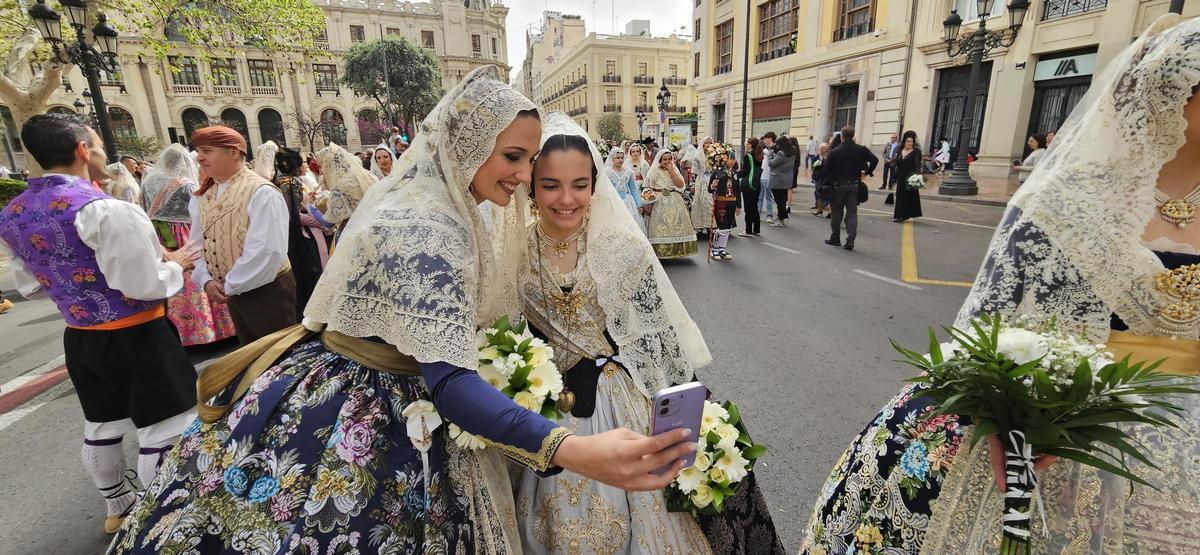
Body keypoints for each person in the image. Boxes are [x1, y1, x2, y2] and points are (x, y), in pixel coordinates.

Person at [109, 66, 696, 554]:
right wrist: (573, 450)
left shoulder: (455, 203)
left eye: (530, 161)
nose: (524, 177)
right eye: (514, 158)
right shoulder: (428, 225)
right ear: (468, 145)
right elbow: (449, 381)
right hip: (369, 404)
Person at [802, 15, 1200, 554]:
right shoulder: (1065, 198)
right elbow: (992, 326)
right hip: (1066, 433)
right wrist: (1012, 413)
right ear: (1169, 91)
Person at [515, 113, 784, 553]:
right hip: (555, 417)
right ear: (531, 185)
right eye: (550, 185)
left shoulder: (620, 247)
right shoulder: (516, 252)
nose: (567, 198)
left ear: (594, 185)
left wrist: (692, 422)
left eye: (580, 185)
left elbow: (658, 340)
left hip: (626, 404)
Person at [0, 114, 198, 534]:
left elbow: (33, 288)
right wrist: (176, 264)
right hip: (137, 334)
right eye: (97, 145)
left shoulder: (14, 212)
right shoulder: (106, 210)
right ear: (81, 150)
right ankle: (169, 517)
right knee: (164, 427)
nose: (103, 153)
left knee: (103, 424)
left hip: (81, 336)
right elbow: (143, 283)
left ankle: (117, 505)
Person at [188, 125, 295, 345]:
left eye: (207, 151)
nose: (199, 158)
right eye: (198, 151)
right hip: (233, 291)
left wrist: (228, 285)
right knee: (250, 356)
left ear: (233, 152)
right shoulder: (205, 195)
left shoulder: (261, 192)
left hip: (266, 291)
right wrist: (206, 280)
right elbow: (197, 245)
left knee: (276, 359)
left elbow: (267, 252)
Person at [141, 144, 237, 346]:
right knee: (194, 274)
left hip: (159, 235)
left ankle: (180, 330)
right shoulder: (185, 184)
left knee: (173, 278)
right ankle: (208, 330)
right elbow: (198, 211)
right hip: (184, 232)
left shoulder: (149, 181)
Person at [272, 146, 331, 319]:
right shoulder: (290, 182)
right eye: (301, 160)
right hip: (302, 236)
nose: (304, 164)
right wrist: (318, 220)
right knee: (311, 271)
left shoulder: (286, 181)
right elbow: (292, 215)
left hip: (299, 232)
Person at [822, 126, 878, 251]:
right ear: (853, 136)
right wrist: (867, 172)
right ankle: (851, 238)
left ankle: (835, 238)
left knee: (837, 213)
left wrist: (828, 182)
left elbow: (826, 170)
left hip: (838, 185)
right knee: (852, 213)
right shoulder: (861, 149)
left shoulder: (835, 152)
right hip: (854, 185)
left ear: (842, 136)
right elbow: (875, 160)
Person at [642, 149, 697, 259]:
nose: (667, 162)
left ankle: (676, 250)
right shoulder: (654, 171)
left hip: (674, 199)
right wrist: (648, 202)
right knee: (660, 225)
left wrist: (672, 172)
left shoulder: (675, 171)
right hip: (659, 200)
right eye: (664, 159)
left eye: (669, 159)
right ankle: (661, 251)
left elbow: (680, 185)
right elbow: (649, 187)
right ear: (660, 160)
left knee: (677, 225)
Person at [313, 143, 375, 235]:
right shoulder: (368, 175)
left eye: (321, 166)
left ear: (330, 165)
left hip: (355, 235)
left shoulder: (339, 188)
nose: (321, 171)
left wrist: (309, 206)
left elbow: (328, 222)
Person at [709, 145, 741, 260]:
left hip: (732, 202)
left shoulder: (735, 173)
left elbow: (738, 190)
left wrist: (739, 206)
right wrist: (713, 185)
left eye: (733, 159)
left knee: (727, 226)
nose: (732, 162)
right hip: (720, 201)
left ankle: (722, 248)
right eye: (729, 159)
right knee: (721, 225)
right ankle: (715, 249)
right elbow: (710, 189)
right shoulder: (717, 172)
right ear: (724, 159)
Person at [603, 147, 646, 234]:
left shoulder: (628, 171)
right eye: (617, 158)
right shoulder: (607, 172)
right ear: (613, 159)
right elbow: (606, 190)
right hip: (614, 202)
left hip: (628, 202)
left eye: (622, 158)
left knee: (631, 226)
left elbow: (633, 189)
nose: (620, 160)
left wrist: (638, 204)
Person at [892, 131, 924, 222]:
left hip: (910, 177)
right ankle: (899, 214)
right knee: (900, 196)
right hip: (900, 177)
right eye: (908, 141)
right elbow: (896, 165)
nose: (910, 143)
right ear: (904, 142)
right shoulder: (900, 151)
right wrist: (894, 178)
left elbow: (917, 165)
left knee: (908, 197)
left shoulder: (916, 152)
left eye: (911, 141)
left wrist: (917, 177)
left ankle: (904, 215)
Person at [766, 133, 796, 227]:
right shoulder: (792, 152)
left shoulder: (781, 154)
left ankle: (781, 219)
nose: (777, 146)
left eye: (778, 144)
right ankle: (780, 217)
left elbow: (771, 164)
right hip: (787, 178)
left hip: (778, 179)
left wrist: (770, 154)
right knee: (782, 199)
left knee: (779, 201)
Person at [684, 141, 712, 236]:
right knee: (701, 201)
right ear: (703, 145)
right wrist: (692, 184)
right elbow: (694, 172)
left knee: (710, 202)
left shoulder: (713, 154)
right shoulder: (698, 156)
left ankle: (710, 224)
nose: (708, 145)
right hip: (702, 180)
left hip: (711, 179)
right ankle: (700, 225)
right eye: (707, 143)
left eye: (710, 143)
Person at [738, 137, 764, 237]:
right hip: (757, 183)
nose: (745, 144)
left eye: (747, 143)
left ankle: (748, 230)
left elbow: (745, 171)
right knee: (754, 207)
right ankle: (756, 229)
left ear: (750, 145)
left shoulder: (748, 156)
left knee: (748, 208)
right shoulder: (759, 155)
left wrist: (736, 174)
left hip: (748, 184)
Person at [759, 132, 778, 223]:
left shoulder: (776, 149)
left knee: (769, 198)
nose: (764, 140)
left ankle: (769, 215)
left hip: (769, 176)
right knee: (760, 197)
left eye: (765, 138)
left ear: (770, 138)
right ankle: (757, 214)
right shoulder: (764, 148)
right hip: (762, 175)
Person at [810, 142, 831, 217]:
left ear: (827, 149)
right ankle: (819, 210)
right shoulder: (816, 157)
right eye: (822, 149)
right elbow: (812, 167)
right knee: (819, 194)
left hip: (828, 178)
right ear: (819, 149)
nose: (823, 150)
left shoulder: (830, 157)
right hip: (819, 178)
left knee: (830, 195)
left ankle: (830, 212)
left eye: (825, 149)